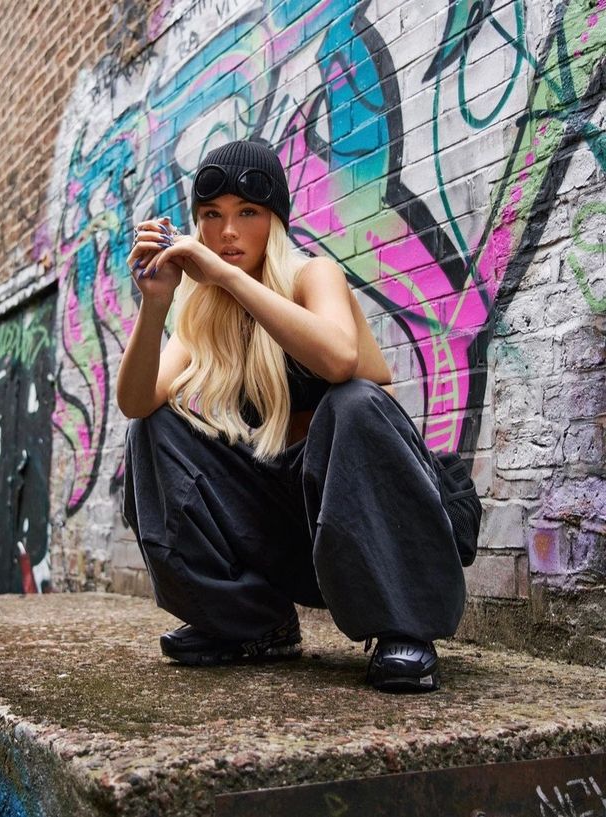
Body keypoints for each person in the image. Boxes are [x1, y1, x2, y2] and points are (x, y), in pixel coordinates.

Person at [117, 140, 466, 693]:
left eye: (247, 213)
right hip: (289, 522)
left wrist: (229, 278)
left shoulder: (312, 275)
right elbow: (136, 402)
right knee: (152, 429)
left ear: (274, 220)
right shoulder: (204, 318)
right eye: (212, 216)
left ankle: (404, 624)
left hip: (365, 511)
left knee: (351, 401)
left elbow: (339, 359)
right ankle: (254, 623)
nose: (228, 231)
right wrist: (156, 304)